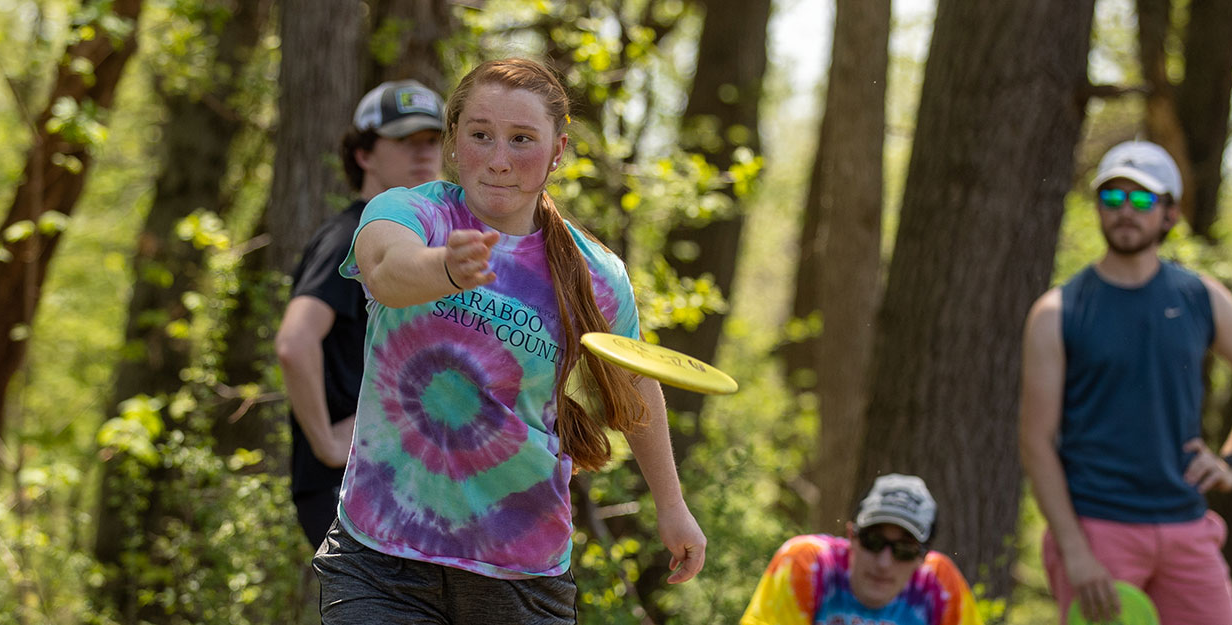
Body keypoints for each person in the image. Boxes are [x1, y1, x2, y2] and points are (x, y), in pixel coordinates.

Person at [310, 58, 707, 624]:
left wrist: (672, 506)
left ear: (557, 151)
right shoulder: (409, 213)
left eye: (522, 140)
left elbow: (635, 385)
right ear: (453, 142)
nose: (499, 160)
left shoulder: (597, 274)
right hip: (380, 558)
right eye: (480, 135)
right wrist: (446, 268)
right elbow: (385, 271)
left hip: (520, 570)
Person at [1019, 140, 1232, 625]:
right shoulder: (1057, 312)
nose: (1126, 211)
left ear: (1169, 213)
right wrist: (1074, 551)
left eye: (1142, 200)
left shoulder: (1201, 298)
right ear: (1098, 208)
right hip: (1099, 532)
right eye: (1113, 198)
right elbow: (1036, 443)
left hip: (1186, 528)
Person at [277, 79, 444, 549]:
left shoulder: (426, 246)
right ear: (364, 155)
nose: (423, 153)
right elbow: (294, 342)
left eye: (432, 140)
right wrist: (329, 443)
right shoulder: (352, 234)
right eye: (406, 141)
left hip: (401, 480)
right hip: (347, 486)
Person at [740, 474, 979, 625]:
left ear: (923, 556)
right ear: (851, 535)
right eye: (873, 542)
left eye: (904, 550)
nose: (884, 562)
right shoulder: (808, 564)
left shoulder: (940, 586)